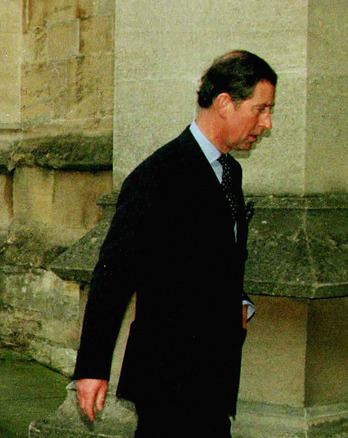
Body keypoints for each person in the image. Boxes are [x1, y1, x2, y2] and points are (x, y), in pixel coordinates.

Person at [73, 50, 276, 438]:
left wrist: (239, 303)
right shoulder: (158, 176)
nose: (266, 123)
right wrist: (91, 369)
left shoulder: (229, 171)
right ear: (225, 104)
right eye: (261, 109)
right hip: (169, 378)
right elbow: (112, 275)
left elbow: (213, 257)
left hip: (213, 374)